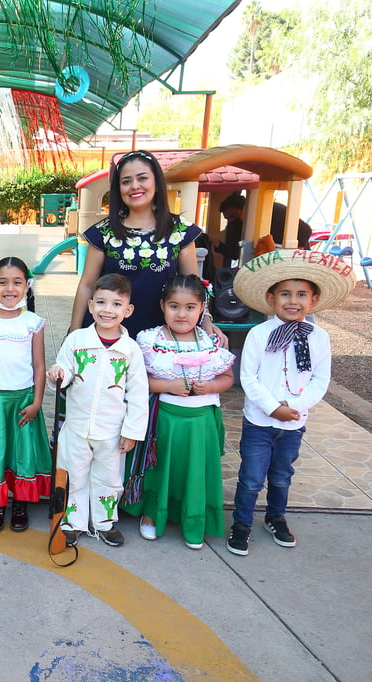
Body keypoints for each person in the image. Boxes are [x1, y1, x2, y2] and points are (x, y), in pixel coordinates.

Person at [226, 249, 355, 555]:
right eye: (285, 294)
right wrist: (274, 408)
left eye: (301, 294)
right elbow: (249, 377)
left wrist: (296, 407)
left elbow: (319, 379)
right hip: (260, 422)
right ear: (271, 299)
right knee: (251, 478)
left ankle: (275, 517)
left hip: (295, 423)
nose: (293, 301)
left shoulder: (319, 338)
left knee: (282, 476)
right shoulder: (259, 334)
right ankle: (241, 524)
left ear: (313, 301)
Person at [123, 275, 235, 549]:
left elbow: (228, 378)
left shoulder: (212, 343)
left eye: (189, 307)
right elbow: (138, 381)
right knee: (159, 468)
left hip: (201, 423)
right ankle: (152, 514)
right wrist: (169, 385)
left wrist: (209, 386)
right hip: (165, 420)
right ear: (162, 306)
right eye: (174, 306)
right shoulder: (151, 340)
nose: (181, 314)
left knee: (194, 472)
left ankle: (193, 521)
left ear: (201, 308)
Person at [70, 150, 227, 344]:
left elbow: (193, 285)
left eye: (142, 178)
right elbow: (87, 285)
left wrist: (206, 320)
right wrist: (74, 332)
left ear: (157, 183)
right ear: (118, 188)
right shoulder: (103, 233)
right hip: (107, 335)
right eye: (126, 181)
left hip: (160, 338)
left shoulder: (180, 231)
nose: (134, 186)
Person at [47, 274, 149, 547]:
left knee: (109, 479)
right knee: (73, 475)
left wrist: (132, 431)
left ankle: (104, 522)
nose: (107, 310)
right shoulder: (77, 340)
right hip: (77, 426)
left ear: (127, 311)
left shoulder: (130, 350)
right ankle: (72, 522)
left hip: (112, 431)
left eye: (116, 304)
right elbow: (65, 368)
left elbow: (138, 394)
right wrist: (59, 373)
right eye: (101, 302)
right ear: (90, 305)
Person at [0, 256, 52, 533]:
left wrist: (37, 402)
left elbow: (40, 365)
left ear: (27, 286)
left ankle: (20, 502)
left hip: (23, 400)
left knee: (22, 453)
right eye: (2, 282)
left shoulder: (33, 322)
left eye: (17, 282)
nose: (10, 289)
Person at [216, 193, 314, 263]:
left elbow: (305, 230)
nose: (231, 221)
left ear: (244, 209)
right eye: (228, 218)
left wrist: (296, 252)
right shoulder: (236, 224)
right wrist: (218, 246)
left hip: (290, 259)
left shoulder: (275, 210)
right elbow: (235, 253)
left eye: (233, 216)